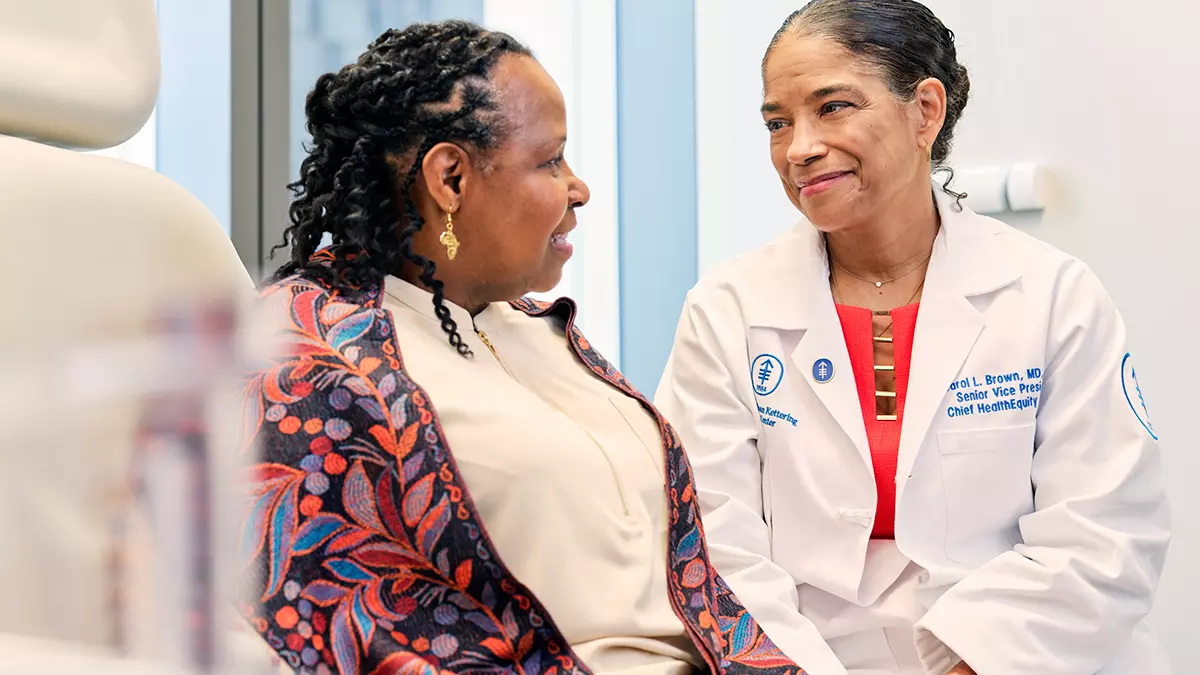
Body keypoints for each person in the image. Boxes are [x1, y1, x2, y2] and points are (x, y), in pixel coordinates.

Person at [238, 20, 808, 675]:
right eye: (550, 160)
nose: (579, 188)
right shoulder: (308, 364)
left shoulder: (529, 325)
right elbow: (348, 630)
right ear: (451, 179)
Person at [654, 2, 1171, 674]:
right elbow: (711, 546)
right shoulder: (727, 311)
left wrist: (971, 662)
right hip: (811, 655)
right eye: (777, 123)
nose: (799, 147)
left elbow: (1106, 534)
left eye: (832, 107)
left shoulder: (1049, 296)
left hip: (1018, 654)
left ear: (925, 111)